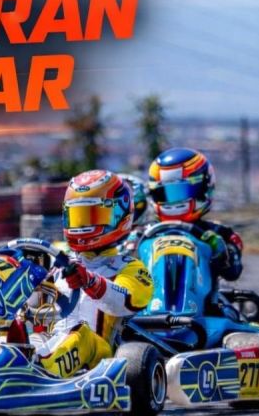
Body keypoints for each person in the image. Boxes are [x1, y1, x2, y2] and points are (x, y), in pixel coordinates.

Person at [32, 170, 154, 378]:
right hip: (52, 342)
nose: (83, 226)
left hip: (99, 356)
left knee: (81, 334)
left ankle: (40, 372)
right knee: (12, 328)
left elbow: (124, 301)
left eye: (93, 216)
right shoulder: (58, 264)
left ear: (119, 216)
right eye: (78, 217)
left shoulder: (129, 267)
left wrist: (90, 281)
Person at [146, 147, 243, 283]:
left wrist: (221, 251)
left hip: (203, 293)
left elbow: (233, 273)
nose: (174, 201)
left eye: (180, 192)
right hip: (152, 293)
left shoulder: (219, 233)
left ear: (204, 189)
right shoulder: (146, 233)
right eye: (165, 193)